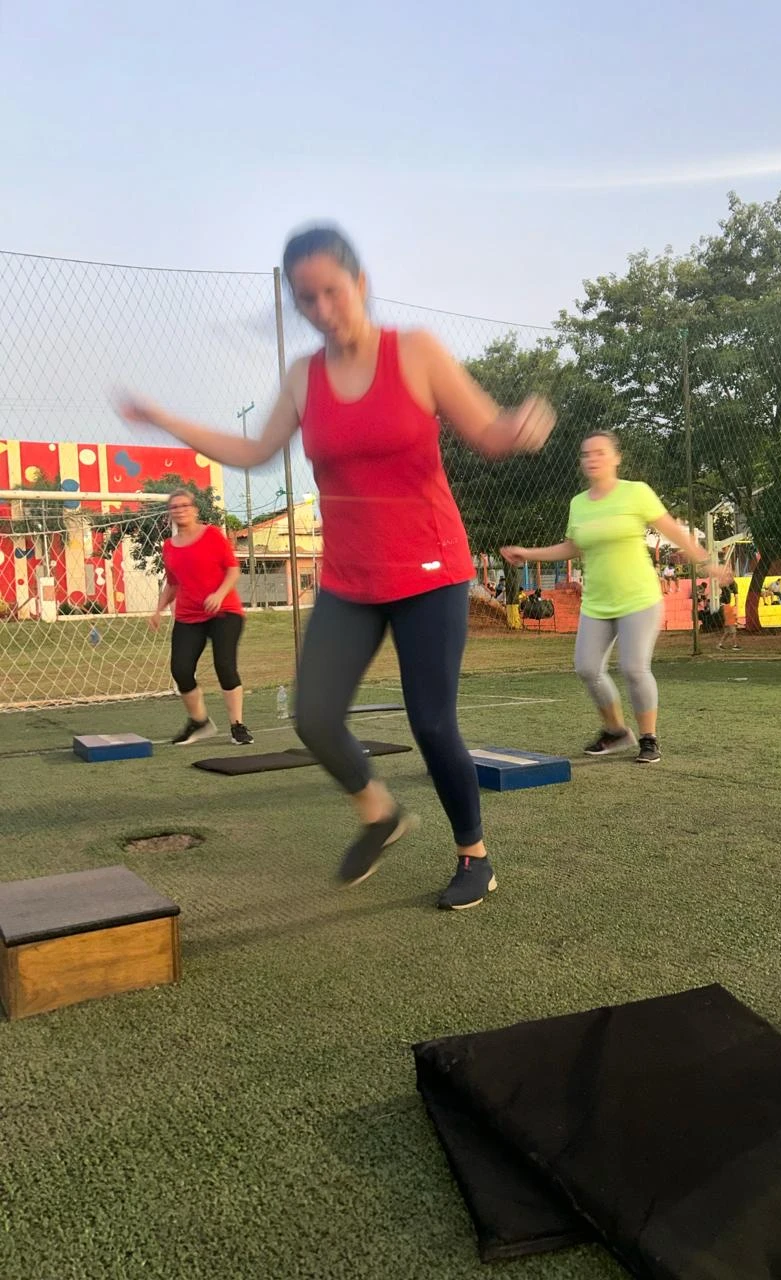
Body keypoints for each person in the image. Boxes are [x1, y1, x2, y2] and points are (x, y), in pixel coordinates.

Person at [118, 224, 555, 910]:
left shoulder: (415, 352)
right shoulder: (305, 376)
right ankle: (379, 813)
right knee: (316, 716)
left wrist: (522, 424)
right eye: (305, 299)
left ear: (361, 284)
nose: (321, 308)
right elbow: (254, 450)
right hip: (352, 578)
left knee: (431, 723)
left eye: (331, 291)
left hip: (430, 569)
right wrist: (169, 420)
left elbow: (489, 433)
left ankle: (474, 855)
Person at [501, 431, 730, 765]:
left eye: (600, 452)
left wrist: (708, 563)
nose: (592, 459)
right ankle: (616, 731)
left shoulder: (636, 492)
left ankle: (649, 738)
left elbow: (673, 531)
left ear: (616, 458)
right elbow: (573, 547)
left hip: (639, 598)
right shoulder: (578, 503)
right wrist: (528, 553)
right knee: (587, 668)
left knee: (633, 668)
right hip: (597, 602)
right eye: (586, 454)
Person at [148, 488, 253, 746]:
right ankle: (199, 722)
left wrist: (219, 594)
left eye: (185, 505)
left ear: (195, 509)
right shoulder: (169, 547)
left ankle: (237, 725)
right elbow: (173, 584)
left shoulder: (212, 535)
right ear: (169, 513)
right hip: (189, 616)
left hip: (224, 612)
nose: (180, 510)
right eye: (174, 507)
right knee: (181, 670)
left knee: (225, 666)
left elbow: (232, 570)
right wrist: (158, 609)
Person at [716, 582, 739, 650]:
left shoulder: (724, 591)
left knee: (727, 631)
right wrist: (736, 606)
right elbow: (736, 596)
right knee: (733, 629)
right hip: (727, 608)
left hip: (724, 607)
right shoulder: (729, 588)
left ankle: (720, 644)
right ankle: (734, 645)